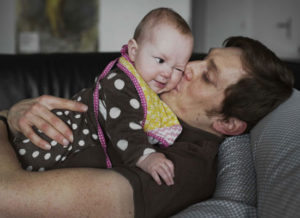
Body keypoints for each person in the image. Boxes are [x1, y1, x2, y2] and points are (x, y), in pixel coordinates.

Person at [0, 36, 294, 218]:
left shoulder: (178, 168)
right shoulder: (145, 98)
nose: (189, 66)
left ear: (227, 123)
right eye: (204, 59)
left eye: (208, 76)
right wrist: (14, 113)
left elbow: (7, 199)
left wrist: (1, 122)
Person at [11, 7, 194, 186]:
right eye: (160, 60)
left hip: (77, 150)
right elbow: (125, 126)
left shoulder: (151, 95)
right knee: (38, 164)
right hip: (52, 138)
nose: (167, 73)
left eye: (178, 68)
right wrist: (146, 156)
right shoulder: (120, 82)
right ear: (133, 51)